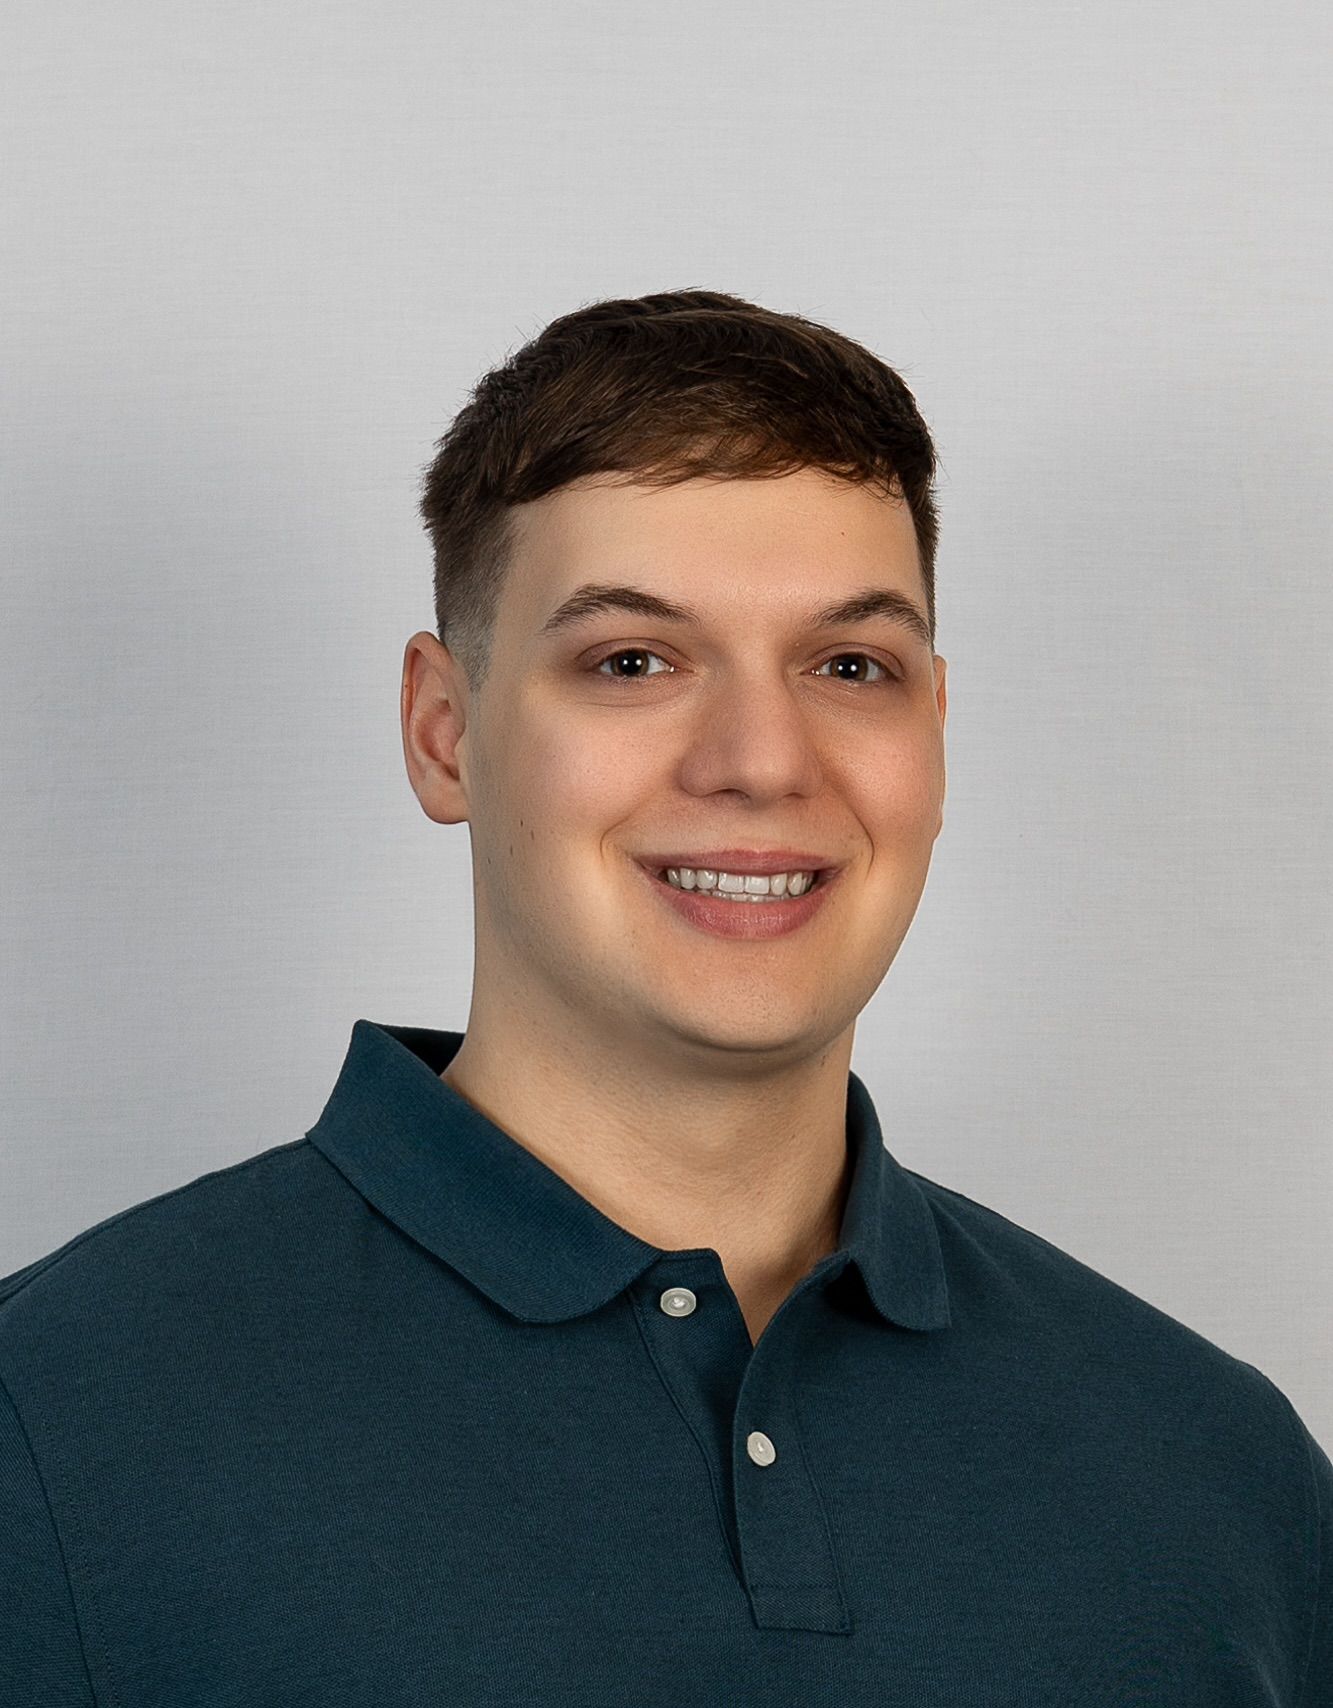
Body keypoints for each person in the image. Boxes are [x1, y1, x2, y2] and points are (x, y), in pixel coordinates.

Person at [2, 289, 1327, 1704]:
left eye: (847, 666)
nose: (761, 758)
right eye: (632, 661)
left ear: (932, 737)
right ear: (444, 734)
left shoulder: (1221, 1476)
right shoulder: (53, 1425)